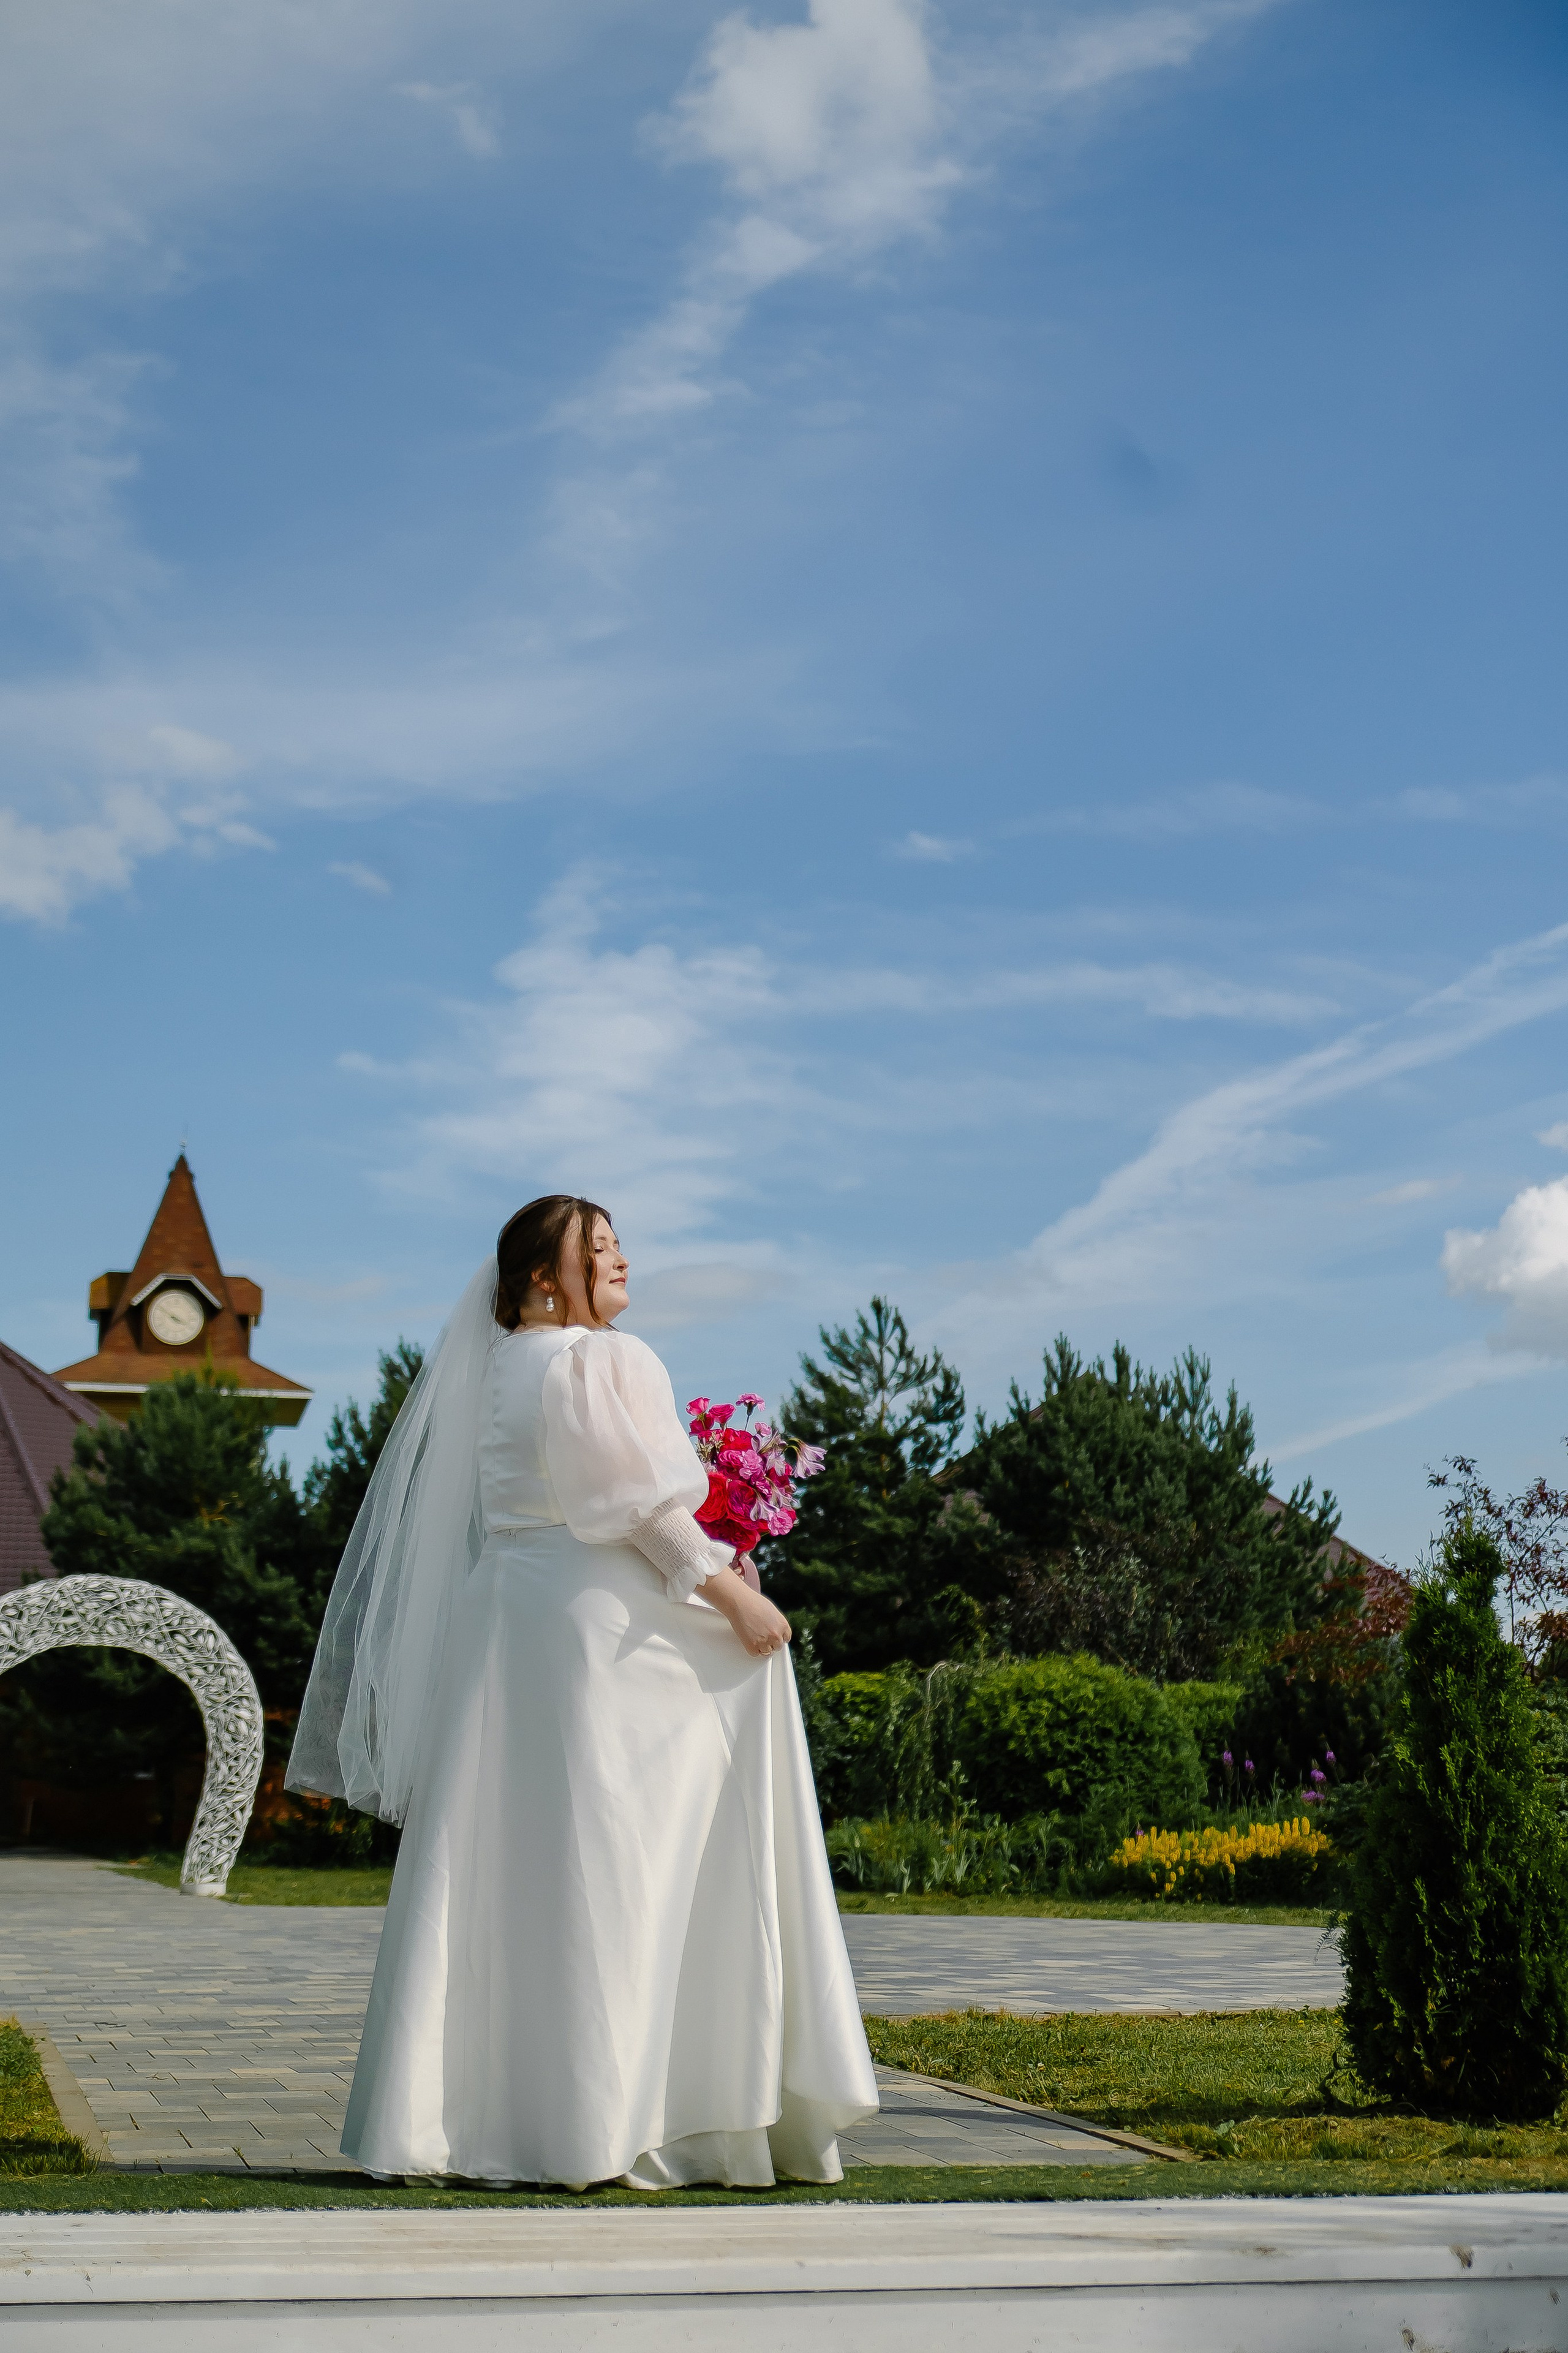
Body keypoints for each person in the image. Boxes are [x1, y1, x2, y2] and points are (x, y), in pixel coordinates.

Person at [287, 1194, 877, 2188]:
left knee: (513, 1862)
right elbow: (634, 1506)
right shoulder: (600, 1358)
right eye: (597, 1248)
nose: (620, 1260)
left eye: (617, 1245)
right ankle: (676, 2104)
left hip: (508, 1620)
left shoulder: (497, 1370)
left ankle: (480, 2118)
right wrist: (735, 1595)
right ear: (541, 1276)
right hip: (595, 1630)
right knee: (634, 1838)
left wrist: (710, 1557)